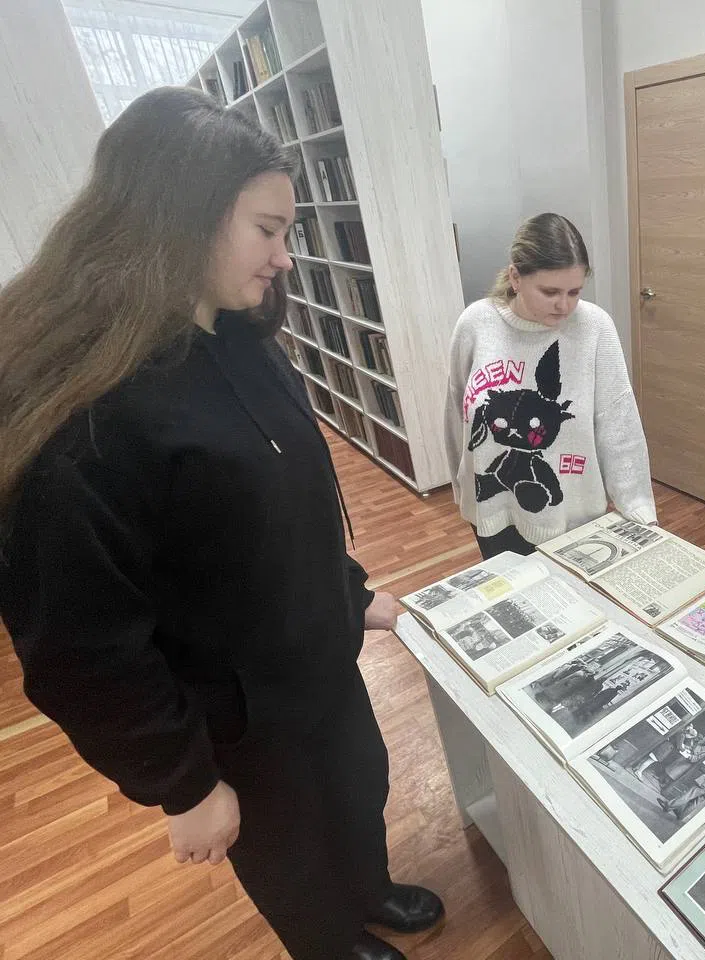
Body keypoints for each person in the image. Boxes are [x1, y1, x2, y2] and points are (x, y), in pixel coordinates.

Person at [0, 88, 440, 960]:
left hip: (317, 667)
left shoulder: (241, 334)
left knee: (359, 786)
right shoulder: (86, 415)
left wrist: (351, 594)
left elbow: (286, 504)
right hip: (237, 716)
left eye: (288, 231)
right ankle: (330, 943)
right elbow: (82, 650)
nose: (284, 256)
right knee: (288, 849)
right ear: (182, 216)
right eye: (267, 229)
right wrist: (185, 783)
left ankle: (368, 888)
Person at [444, 213, 657, 559]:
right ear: (515, 277)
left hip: (573, 519)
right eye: (550, 291)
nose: (564, 305)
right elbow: (457, 411)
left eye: (575, 291)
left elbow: (619, 425)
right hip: (492, 509)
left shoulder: (595, 327)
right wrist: (461, 485)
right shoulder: (476, 323)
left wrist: (638, 508)